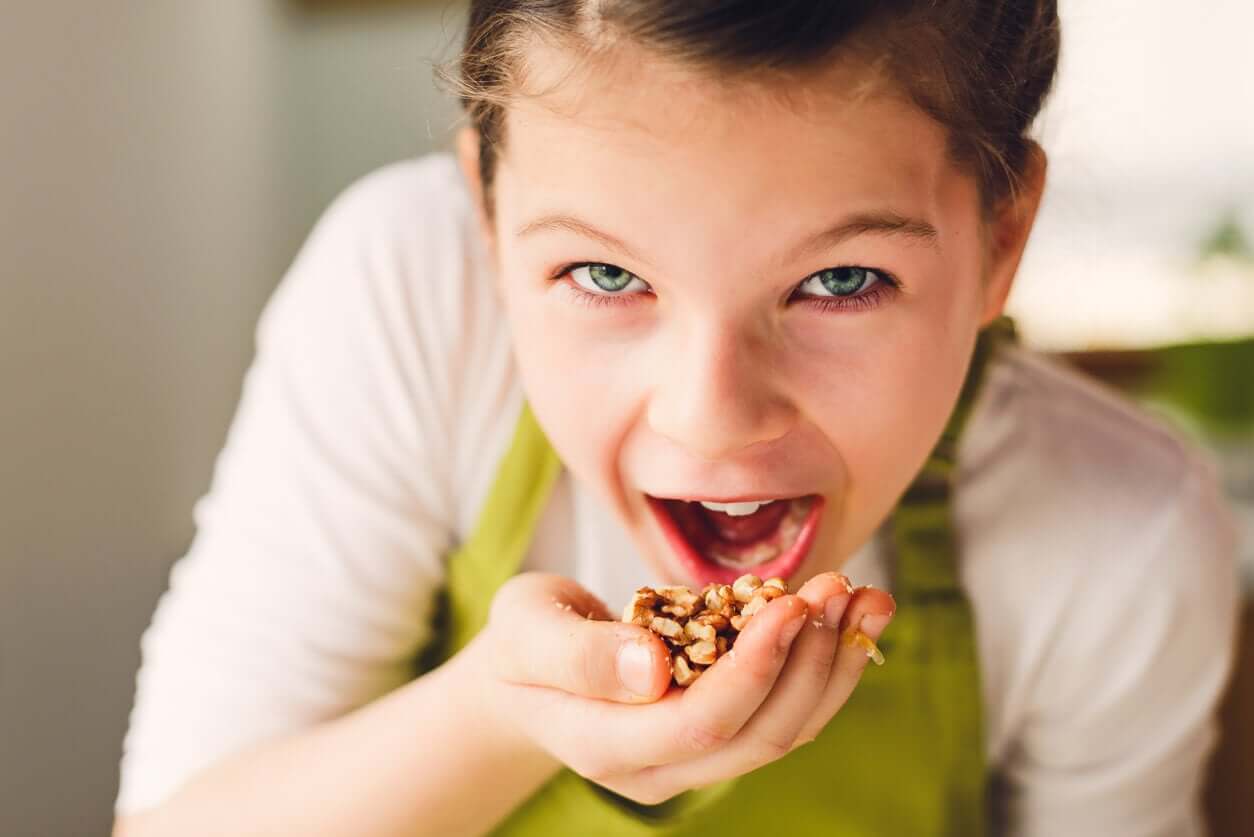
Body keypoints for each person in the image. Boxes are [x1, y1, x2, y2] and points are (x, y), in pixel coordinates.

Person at [113, 2, 1240, 835]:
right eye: (605, 276)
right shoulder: (413, 300)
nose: (712, 423)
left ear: (1003, 238)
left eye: (841, 282)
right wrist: (498, 714)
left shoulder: (1120, 530)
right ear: (488, 220)